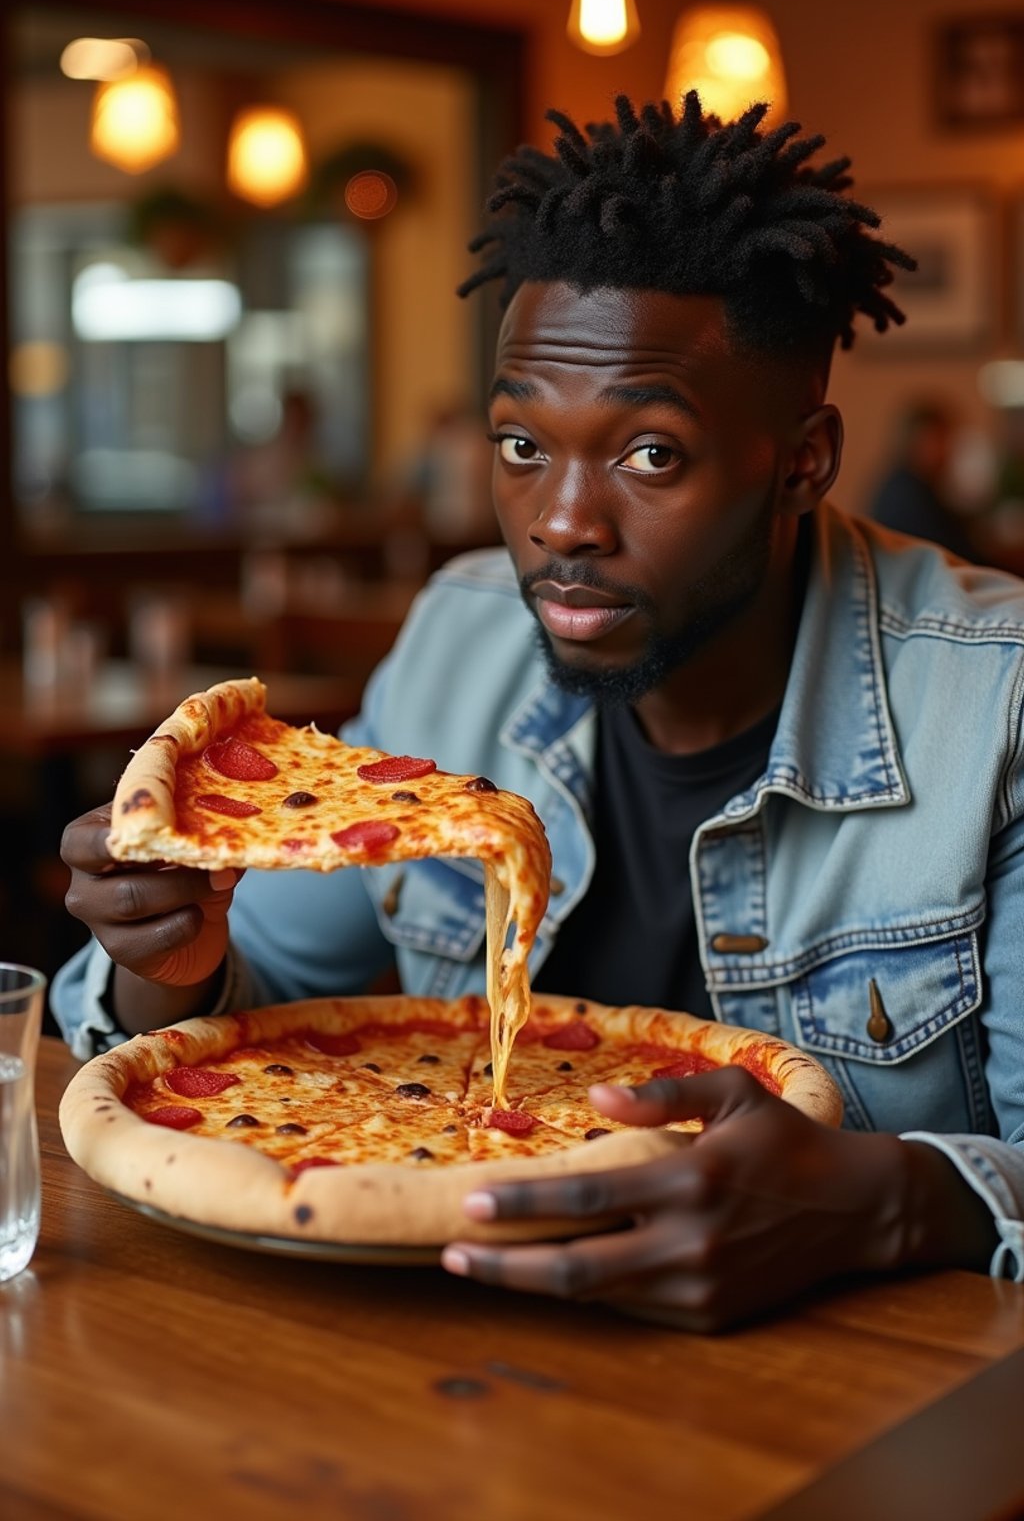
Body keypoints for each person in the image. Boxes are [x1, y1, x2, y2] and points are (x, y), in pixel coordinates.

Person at [53, 93, 1024, 1330]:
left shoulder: (999, 704)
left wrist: (881, 1202)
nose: (562, 521)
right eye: (522, 446)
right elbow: (246, 1013)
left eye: (648, 455)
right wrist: (170, 970)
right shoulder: (460, 633)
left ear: (803, 460)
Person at [868, 397, 981, 560]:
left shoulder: (910, 484)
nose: (947, 450)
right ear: (916, 441)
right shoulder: (907, 495)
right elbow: (952, 555)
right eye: (940, 440)